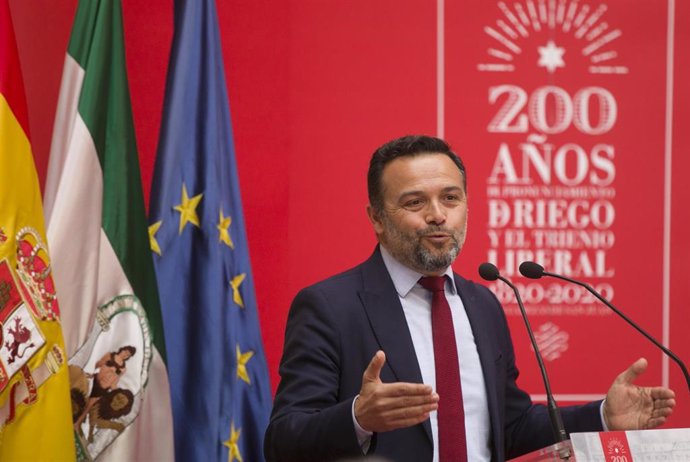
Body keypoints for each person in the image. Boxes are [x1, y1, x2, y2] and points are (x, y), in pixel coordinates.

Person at [264, 135, 676, 462]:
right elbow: (283, 441)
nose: (437, 215)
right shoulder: (330, 307)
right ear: (376, 217)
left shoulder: (483, 305)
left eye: (450, 197)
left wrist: (603, 416)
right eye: (414, 202)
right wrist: (359, 418)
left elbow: (509, 428)